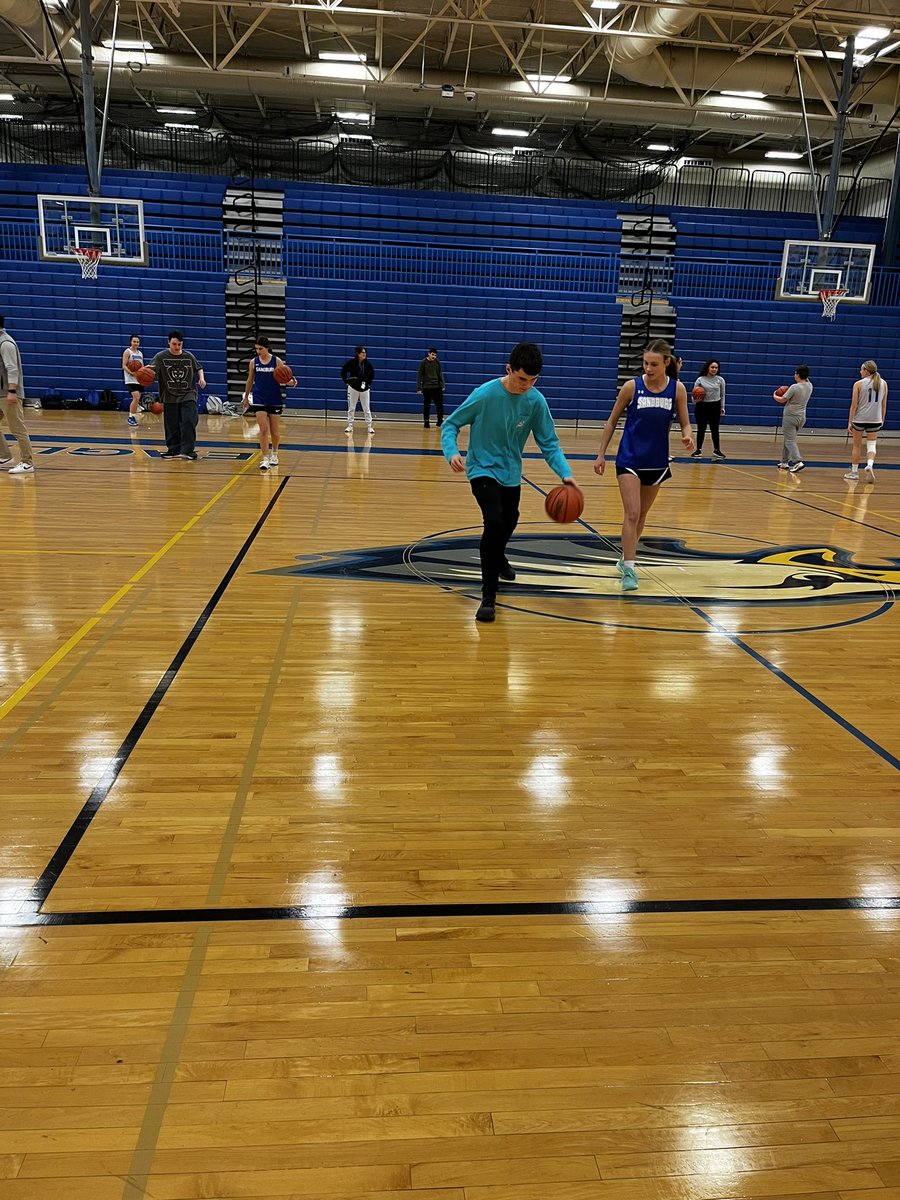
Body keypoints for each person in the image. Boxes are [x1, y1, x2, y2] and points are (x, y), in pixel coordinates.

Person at [442, 341, 578, 624]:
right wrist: (452, 451)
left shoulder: (536, 402)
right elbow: (451, 424)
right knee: (493, 522)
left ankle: (499, 556)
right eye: (520, 379)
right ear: (508, 369)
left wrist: (565, 474)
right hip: (481, 468)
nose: (525, 385)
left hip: (511, 472)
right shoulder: (485, 394)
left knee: (510, 520)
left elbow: (549, 444)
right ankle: (488, 596)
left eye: (531, 380)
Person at [594, 339, 694, 593]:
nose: (648, 369)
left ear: (666, 363)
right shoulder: (632, 387)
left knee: (642, 516)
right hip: (629, 458)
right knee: (632, 513)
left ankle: (626, 556)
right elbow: (611, 421)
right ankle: (629, 568)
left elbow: (684, 422)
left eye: (653, 364)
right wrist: (601, 454)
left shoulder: (678, 389)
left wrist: (687, 435)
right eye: (645, 363)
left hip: (657, 460)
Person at [149, 330, 207, 461]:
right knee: (171, 425)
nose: (176, 347)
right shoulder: (160, 356)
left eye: (179, 344)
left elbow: (199, 368)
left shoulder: (188, 356)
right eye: (174, 344)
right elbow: (150, 369)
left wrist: (201, 379)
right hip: (169, 394)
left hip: (188, 393)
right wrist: (141, 372)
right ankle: (173, 450)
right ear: (169, 342)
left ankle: (188, 451)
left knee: (188, 421)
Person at [242, 336, 296, 471]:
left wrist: (292, 382)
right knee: (263, 429)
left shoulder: (276, 361)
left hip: (274, 399)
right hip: (259, 399)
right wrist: (246, 397)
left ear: (267, 348)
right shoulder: (253, 362)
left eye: (261, 349)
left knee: (275, 432)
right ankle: (265, 458)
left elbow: (285, 377)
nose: (258, 351)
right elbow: (250, 380)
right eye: (256, 349)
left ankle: (275, 454)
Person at [0, 315, 34, 475]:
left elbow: (12, 368)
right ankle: (4, 456)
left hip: (8, 394)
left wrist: (12, 391)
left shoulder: (5, 343)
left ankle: (27, 462)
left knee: (17, 429)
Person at [845, 360, 888, 484]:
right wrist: (882, 419)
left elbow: (853, 405)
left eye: (861, 369)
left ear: (866, 371)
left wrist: (850, 422)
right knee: (872, 444)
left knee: (857, 446)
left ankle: (854, 472)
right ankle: (869, 465)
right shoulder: (884, 383)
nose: (860, 371)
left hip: (860, 418)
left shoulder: (858, 384)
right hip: (875, 419)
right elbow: (883, 405)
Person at [774, 365, 812, 474]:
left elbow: (782, 399)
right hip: (801, 417)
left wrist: (774, 395)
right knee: (788, 438)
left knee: (790, 440)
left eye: (795, 373)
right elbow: (806, 378)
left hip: (790, 417)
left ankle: (797, 461)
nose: (794, 375)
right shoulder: (810, 386)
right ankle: (784, 462)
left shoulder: (794, 387)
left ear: (799, 374)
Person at [690, 358, 726, 460]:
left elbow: (722, 395)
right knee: (701, 429)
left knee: (715, 429)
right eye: (712, 367)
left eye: (716, 367)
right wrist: (695, 400)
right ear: (708, 367)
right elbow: (693, 395)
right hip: (702, 406)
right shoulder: (700, 380)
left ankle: (717, 450)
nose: (714, 369)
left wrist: (722, 407)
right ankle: (698, 450)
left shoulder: (720, 380)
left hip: (715, 406)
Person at [341, 345, 375, 435]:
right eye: (362, 352)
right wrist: (346, 381)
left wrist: (367, 383)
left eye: (365, 352)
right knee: (351, 408)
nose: (364, 354)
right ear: (358, 353)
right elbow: (343, 371)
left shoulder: (368, 364)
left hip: (365, 389)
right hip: (353, 388)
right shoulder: (351, 363)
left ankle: (369, 426)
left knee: (366, 408)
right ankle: (350, 425)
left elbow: (372, 375)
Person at [417, 348, 446, 428]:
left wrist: (442, 385)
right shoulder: (423, 362)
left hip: (437, 387)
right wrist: (418, 388)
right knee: (427, 405)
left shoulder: (437, 362)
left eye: (435, 355)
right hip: (427, 387)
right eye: (432, 354)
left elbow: (440, 374)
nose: (434, 356)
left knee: (439, 405)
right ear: (429, 354)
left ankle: (440, 420)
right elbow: (419, 375)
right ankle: (426, 420)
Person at [122, 334, 144, 427]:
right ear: (131, 342)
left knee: (137, 398)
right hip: (130, 379)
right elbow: (123, 365)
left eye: (137, 342)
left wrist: (144, 373)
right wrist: (132, 373)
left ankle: (136, 406)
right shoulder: (127, 352)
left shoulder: (140, 353)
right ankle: (131, 417)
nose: (136, 343)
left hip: (138, 379)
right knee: (136, 397)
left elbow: (142, 366)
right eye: (134, 341)